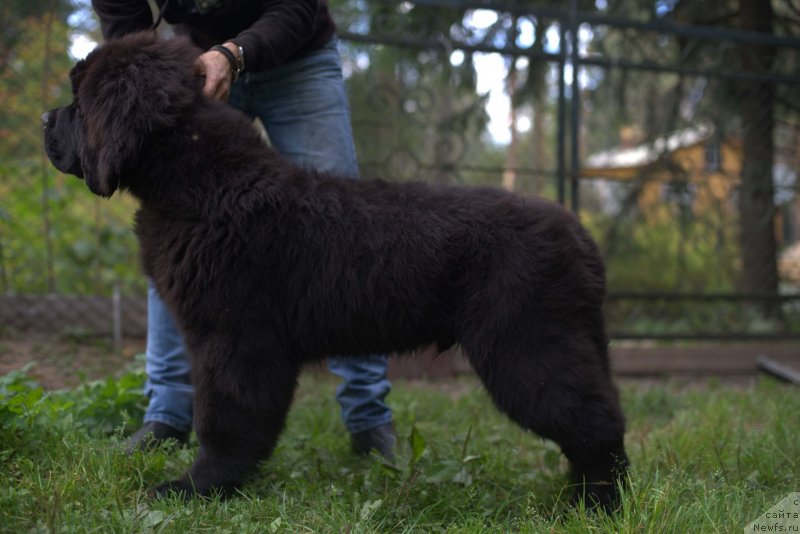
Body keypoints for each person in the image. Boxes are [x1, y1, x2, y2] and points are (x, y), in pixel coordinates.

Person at [90, 0, 396, 458]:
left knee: (346, 235)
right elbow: (127, 36)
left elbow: (299, 8)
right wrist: (164, 79)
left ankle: (369, 420)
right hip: (192, 66)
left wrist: (232, 54)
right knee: (175, 229)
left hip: (298, 61)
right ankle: (167, 415)